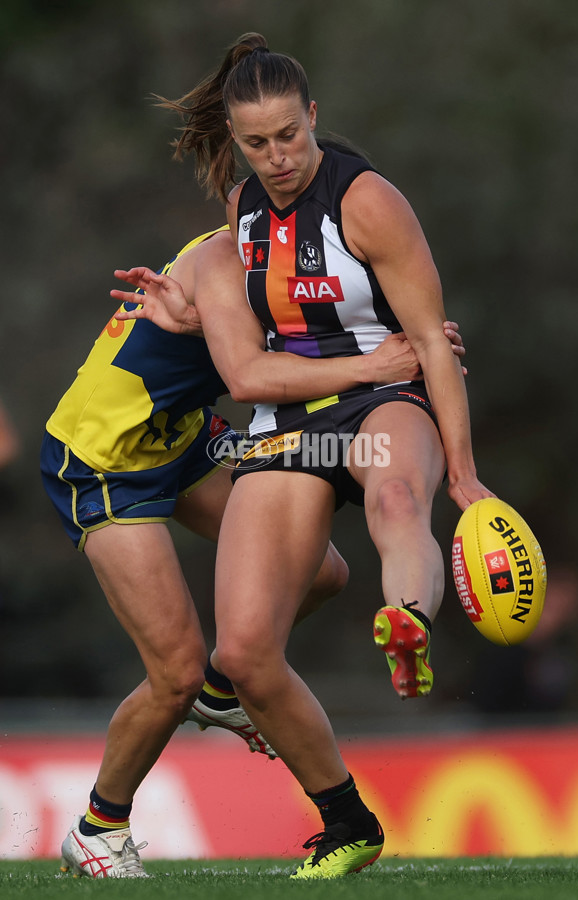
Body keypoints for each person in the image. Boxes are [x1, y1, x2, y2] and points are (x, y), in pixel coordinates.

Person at [113, 32, 493, 879]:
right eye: (257, 143)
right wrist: (189, 315)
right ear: (237, 142)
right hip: (293, 421)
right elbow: (246, 356)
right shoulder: (242, 212)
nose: (277, 156)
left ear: (313, 116)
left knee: (399, 499)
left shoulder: (367, 201)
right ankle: (348, 822)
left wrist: (463, 475)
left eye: (289, 134)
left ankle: (410, 623)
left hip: (386, 397)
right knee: (242, 654)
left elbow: (431, 342)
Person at [42, 224, 459, 878]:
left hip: (186, 438)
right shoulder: (230, 260)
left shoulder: (298, 256)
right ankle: (100, 828)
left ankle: (222, 687)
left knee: (322, 572)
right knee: (173, 672)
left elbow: (337, 325)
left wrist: (427, 343)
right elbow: (254, 374)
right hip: (105, 459)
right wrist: (381, 364)